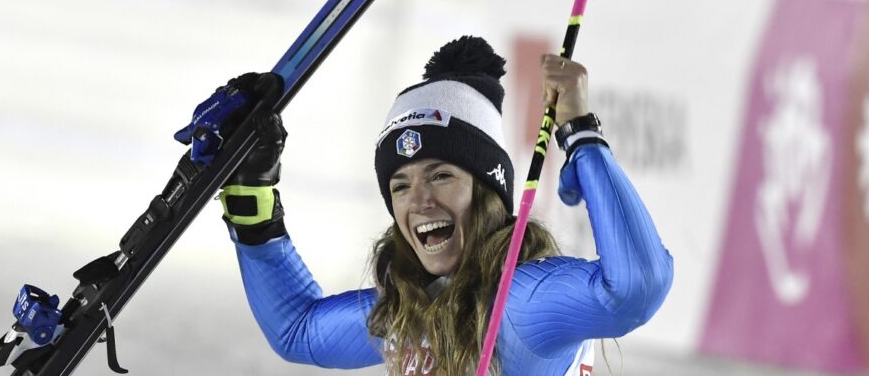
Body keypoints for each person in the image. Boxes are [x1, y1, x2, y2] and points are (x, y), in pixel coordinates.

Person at [216, 36, 673, 376]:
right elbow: (298, 329)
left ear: (487, 191)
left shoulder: (521, 303)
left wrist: (582, 137)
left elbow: (637, 288)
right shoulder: (411, 309)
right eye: (400, 185)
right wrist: (252, 199)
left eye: (441, 176)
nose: (419, 201)